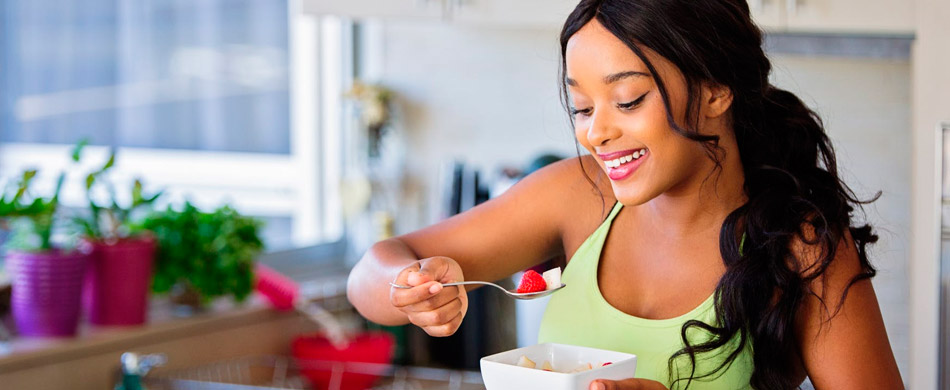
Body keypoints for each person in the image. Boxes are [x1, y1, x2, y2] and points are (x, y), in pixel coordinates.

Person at [345, 0, 904, 388]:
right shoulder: (577, 194)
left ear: (715, 90)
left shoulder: (802, 250)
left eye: (628, 100)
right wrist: (406, 289)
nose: (596, 132)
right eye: (582, 108)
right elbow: (371, 273)